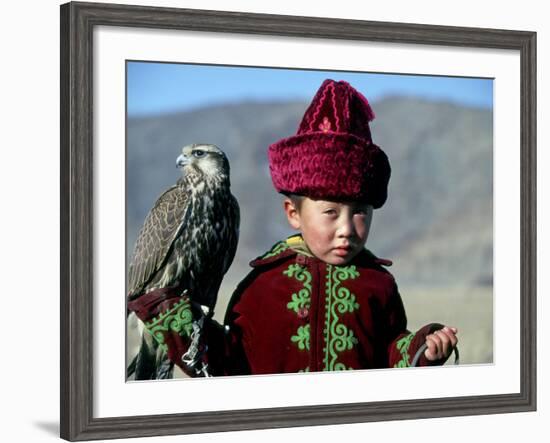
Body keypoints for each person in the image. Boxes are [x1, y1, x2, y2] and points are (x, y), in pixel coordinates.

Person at [127, 79, 458, 378]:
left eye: (360, 213)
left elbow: (389, 353)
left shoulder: (379, 284)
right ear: (293, 213)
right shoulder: (264, 285)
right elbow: (230, 362)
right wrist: (174, 318)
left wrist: (422, 348)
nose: (346, 228)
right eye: (330, 212)